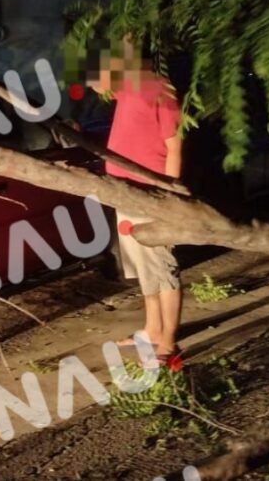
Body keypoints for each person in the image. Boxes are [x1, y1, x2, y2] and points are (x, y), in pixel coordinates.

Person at [86, 38, 185, 366]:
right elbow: (95, 82)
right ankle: (152, 329)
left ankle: (168, 342)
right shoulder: (126, 86)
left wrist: (169, 193)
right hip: (123, 190)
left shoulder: (160, 88)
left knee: (162, 266)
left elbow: (174, 145)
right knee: (141, 265)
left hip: (149, 192)